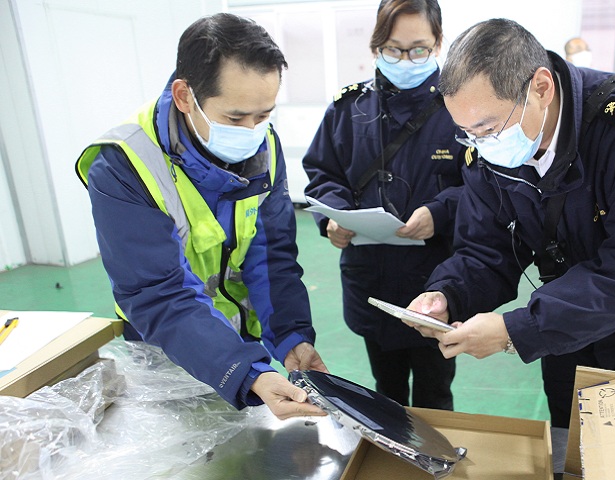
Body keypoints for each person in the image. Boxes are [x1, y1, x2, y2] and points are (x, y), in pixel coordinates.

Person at [407, 18, 615, 429]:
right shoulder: (489, 152)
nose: (482, 144)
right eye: (467, 133)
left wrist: (519, 329)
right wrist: (449, 293)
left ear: (541, 88)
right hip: (574, 333)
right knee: (576, 448)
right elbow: (486, 247)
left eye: (489, 128)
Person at [75, 13, 327, 420]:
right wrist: (245, 371)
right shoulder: (125, 165)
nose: (251, 132)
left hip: (240, 341)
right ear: (184, 96)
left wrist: (291, 336)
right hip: (167, 347)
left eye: (263, 115)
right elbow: (157, 292)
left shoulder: (264, 145)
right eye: (235, 118)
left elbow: (272, 255)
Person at [302, 0, 467, 410]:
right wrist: (333, 219)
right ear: (376, 46)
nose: (406, 60)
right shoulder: (348, 109)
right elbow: (323, 173)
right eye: (394, 49)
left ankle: (433, 453)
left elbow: (485, 185)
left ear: (438, 43)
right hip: (371, 279)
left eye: (419, 49)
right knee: (386, 389)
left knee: (434, 393)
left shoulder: (461, 107)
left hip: (436, 280)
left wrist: (441, 211)